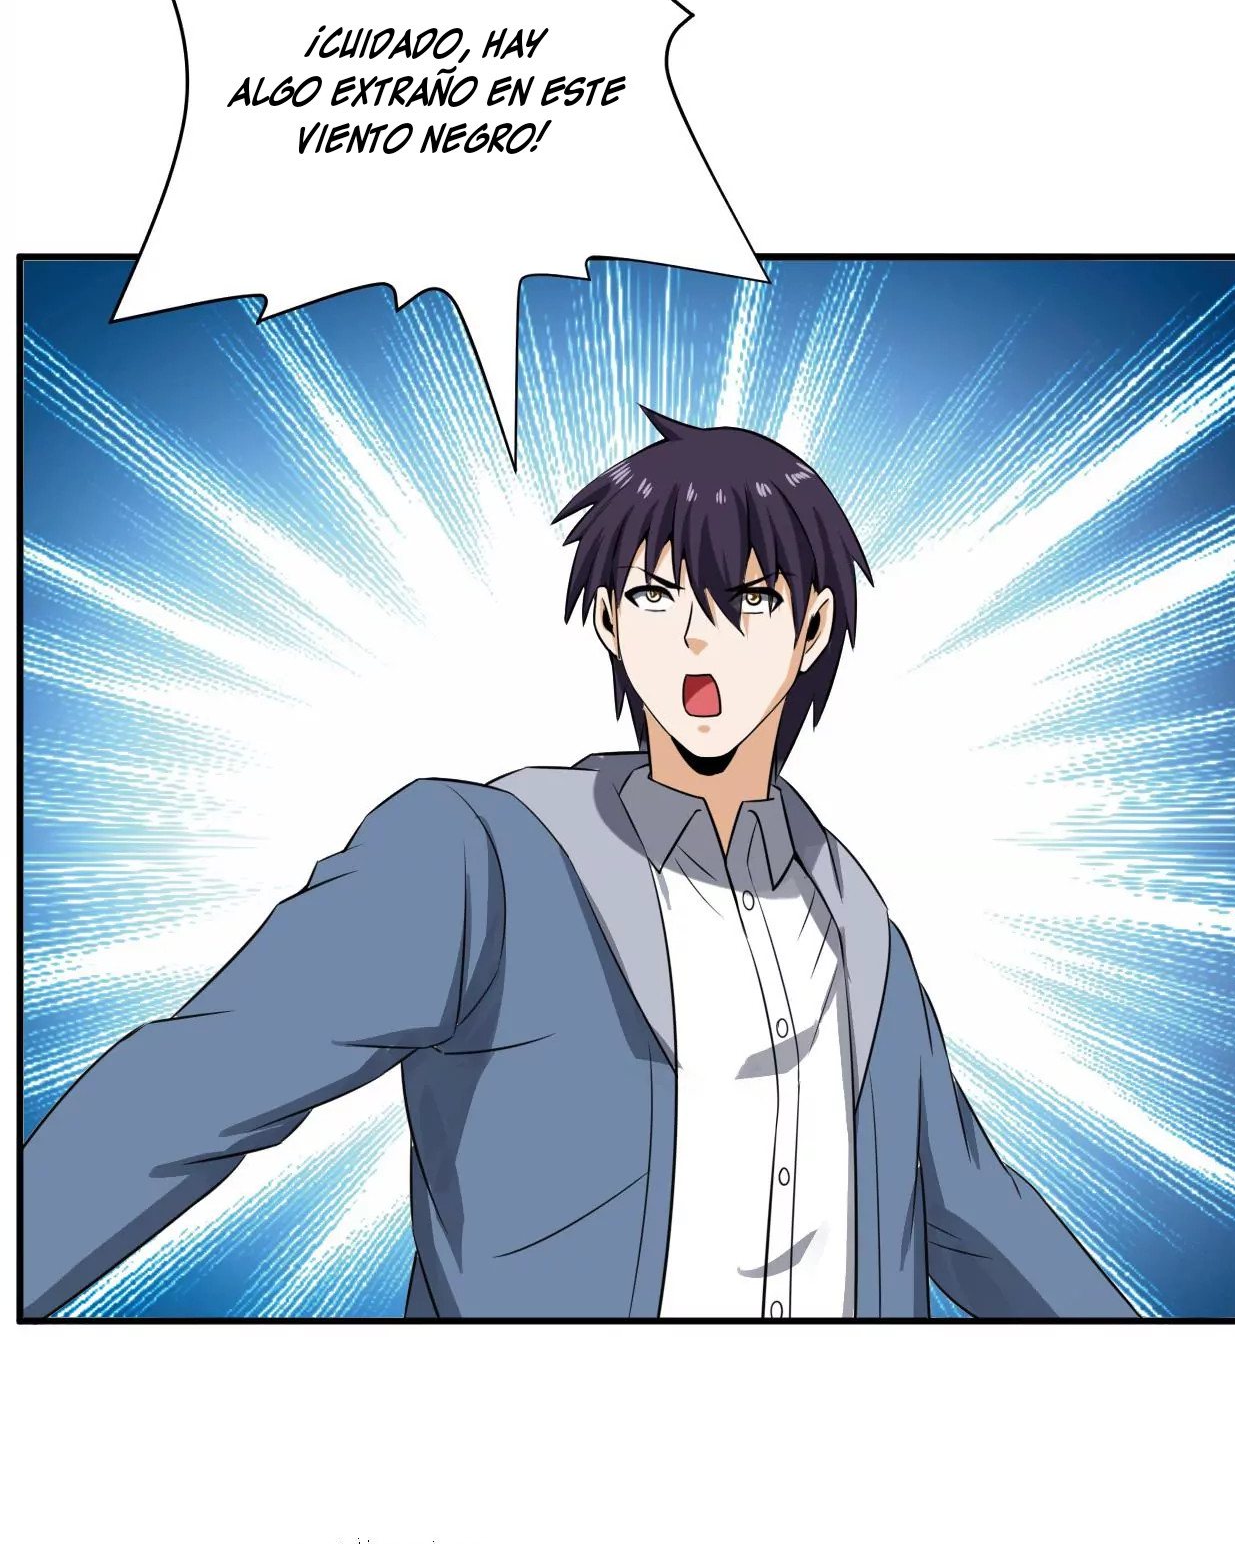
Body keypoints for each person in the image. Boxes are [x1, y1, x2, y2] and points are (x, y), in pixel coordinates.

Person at [23, 407, 1137, 1325]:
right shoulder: (481, 858)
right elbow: (195, 1088)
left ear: (809, 630)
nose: (697, 642)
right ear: (606, 617)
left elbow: (968, 1215)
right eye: (656, 597)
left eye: (748, 600)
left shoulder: (855, 921)